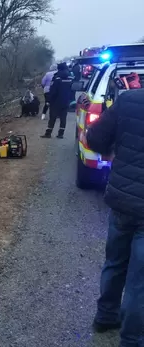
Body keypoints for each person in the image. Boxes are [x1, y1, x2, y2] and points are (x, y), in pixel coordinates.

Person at [81, 88, 144, 347]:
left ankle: (106, 315)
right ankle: (131, 339)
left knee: (115, 261)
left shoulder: (129, 99)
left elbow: (95, 140)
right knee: (139, 280)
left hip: (121, 201)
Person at [40, 62, 73, 139]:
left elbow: (53, 90)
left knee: (52, 117)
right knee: (63, 117)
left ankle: (48, 133)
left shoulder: (57, 77)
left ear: (59, 68)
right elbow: (72, 89)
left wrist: (49, 100)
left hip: (56, 101)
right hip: (66, 101)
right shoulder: (70, 77)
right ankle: (61, 134)